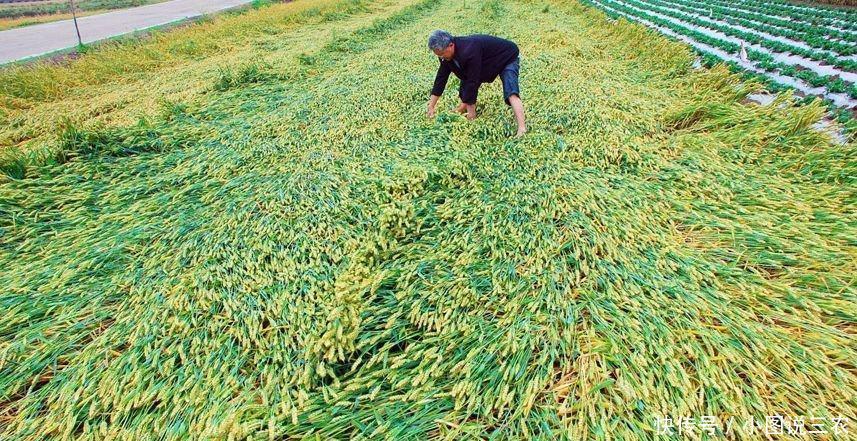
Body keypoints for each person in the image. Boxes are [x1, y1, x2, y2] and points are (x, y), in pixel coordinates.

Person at [426, 30, 527, 137]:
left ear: (451, 45)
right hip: (488, 60)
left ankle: (522, 128)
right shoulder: (446, 55)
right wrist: (431, 106)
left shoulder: (469, 50)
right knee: (465, 74)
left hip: (508, 57)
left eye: (442, 54)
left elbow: (472, 81)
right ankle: (463, 106)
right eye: (439, 55)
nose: (441, 58)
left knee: (511, 92)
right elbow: (441, 78)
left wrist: (472, 115)